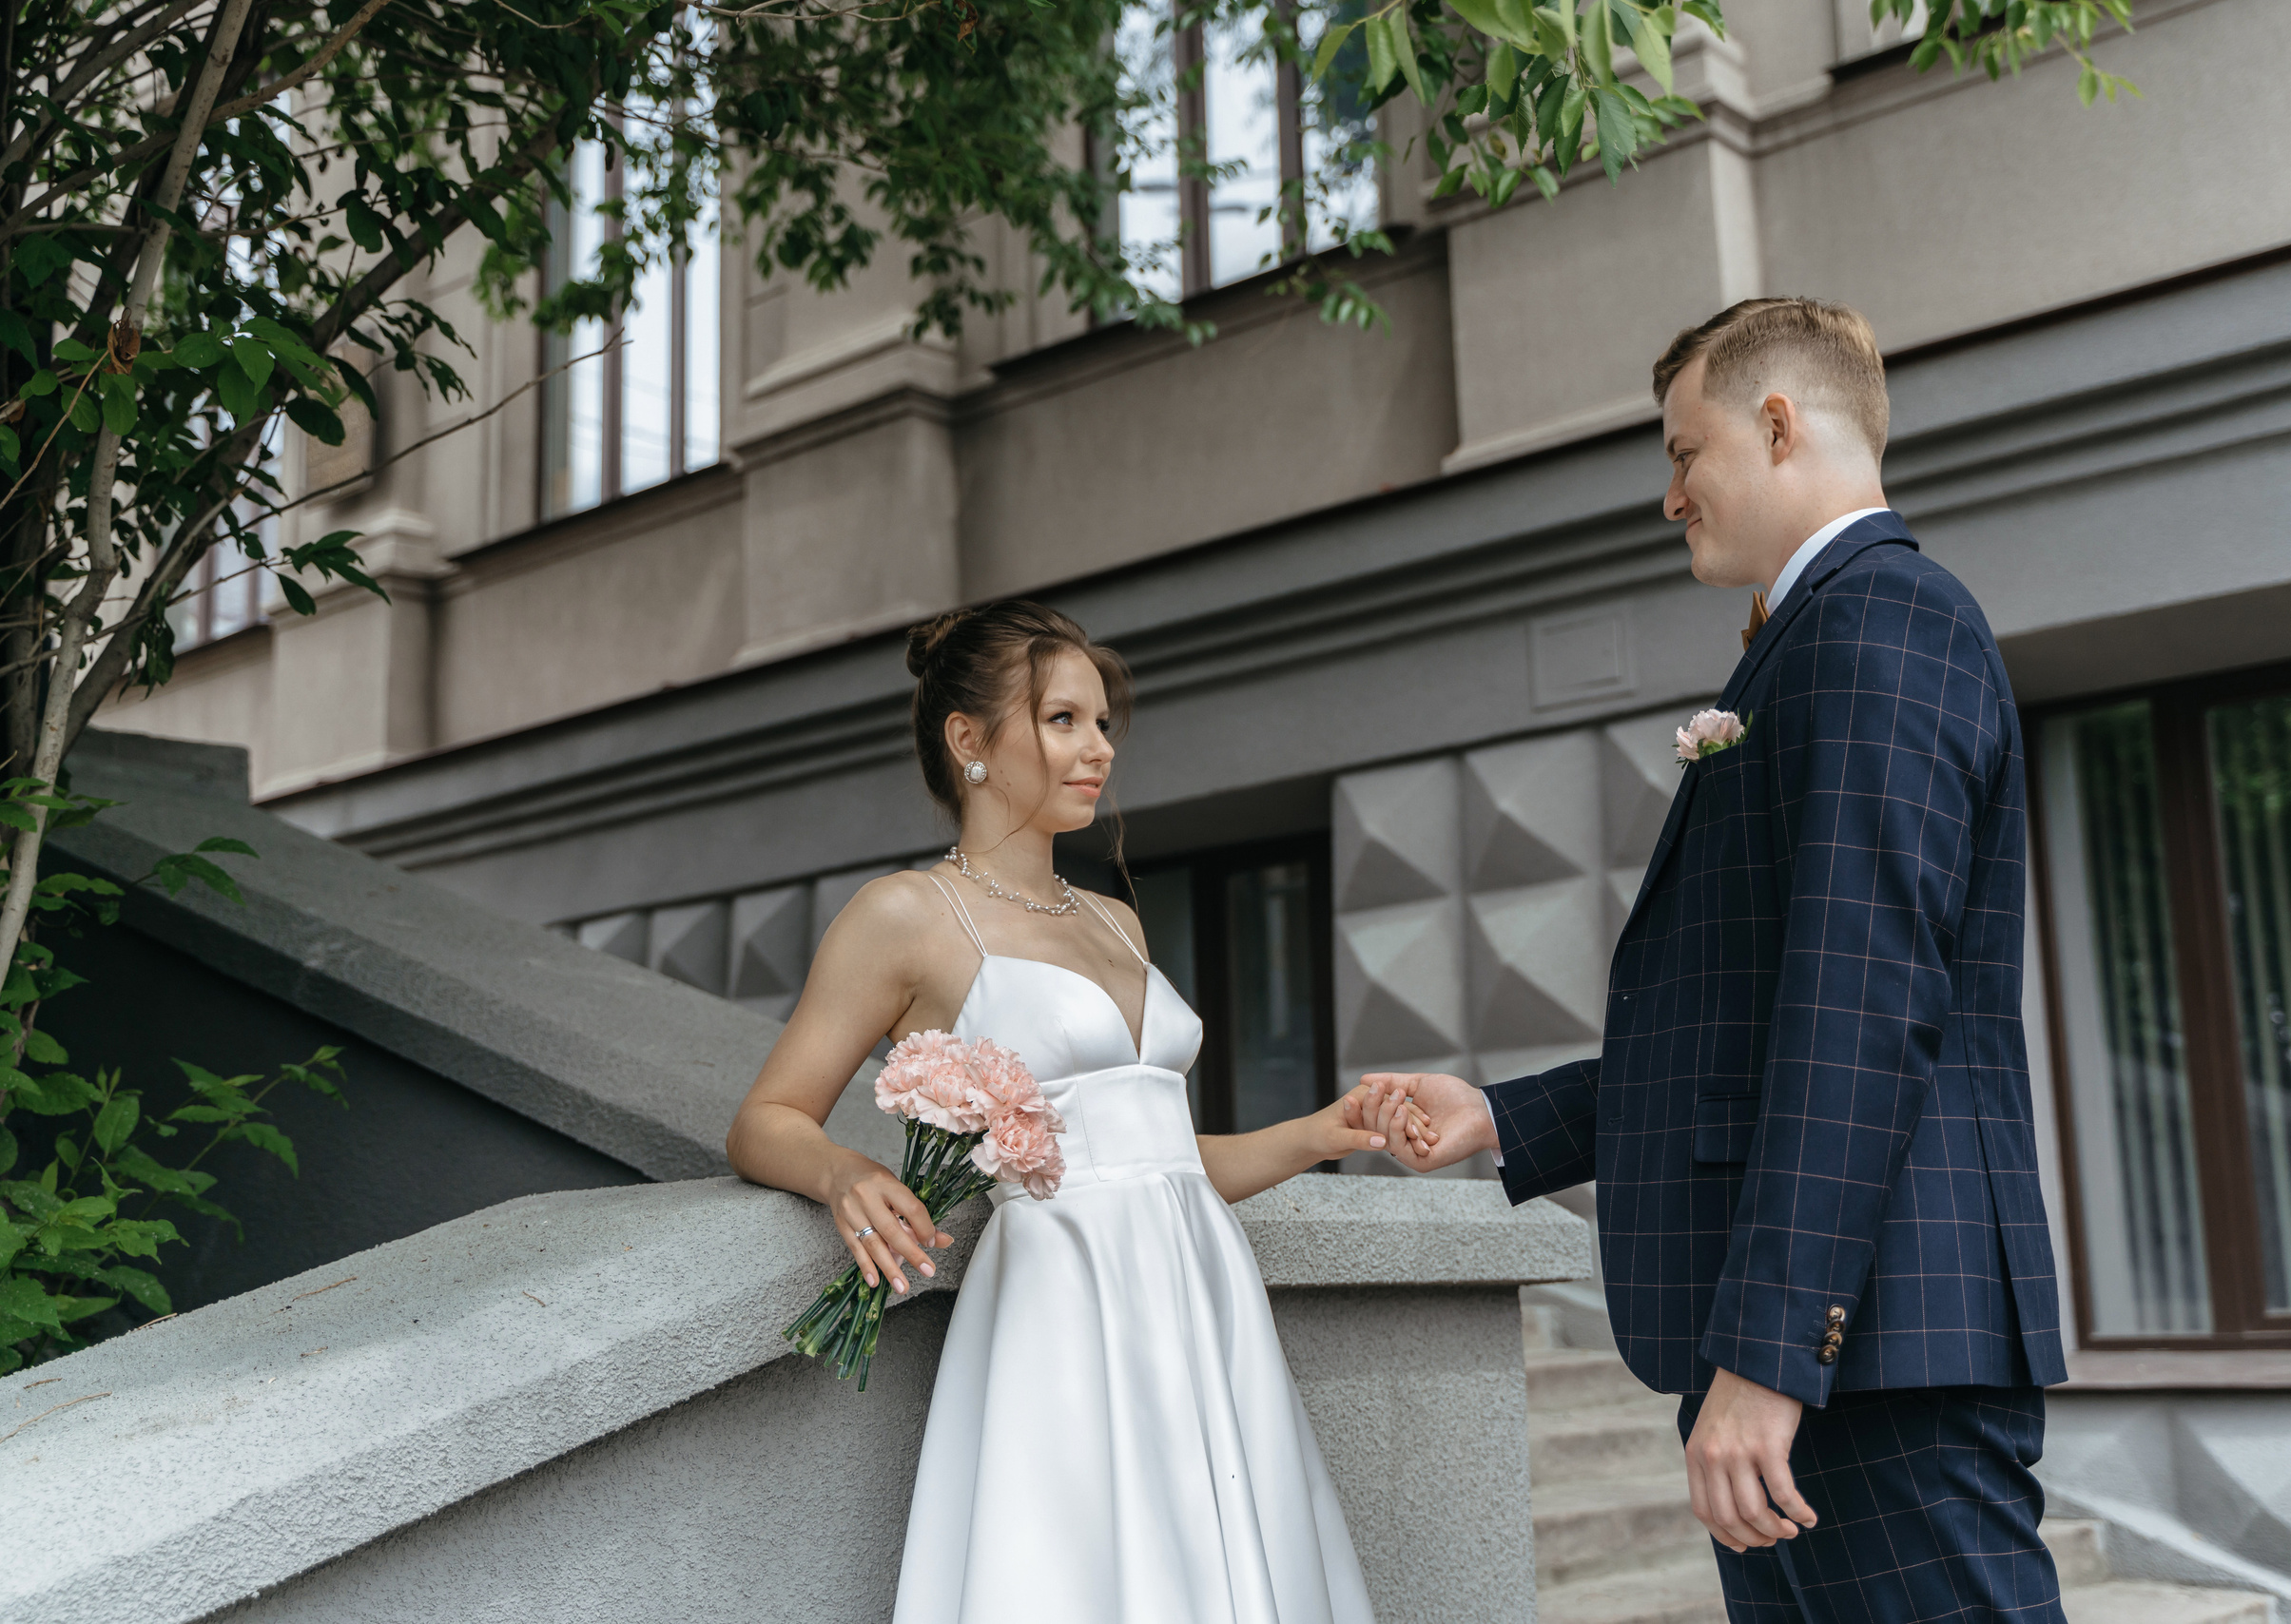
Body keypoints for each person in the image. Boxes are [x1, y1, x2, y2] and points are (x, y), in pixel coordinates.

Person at [1351, 299, 2071, 1621]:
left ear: (1779, 424)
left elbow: (1860, 1007)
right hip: (1830, 1354)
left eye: (1685, 452)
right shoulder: (1817, 637)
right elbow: (1752, 1026)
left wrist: (1773, 1354)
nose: (1670, 493)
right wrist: (1506, 1119)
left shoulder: (1882, 623)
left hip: (1868, 1352)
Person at [728, 601, 1394, 1624]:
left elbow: (1161, 1162)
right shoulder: (906, 915)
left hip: (1203, 1296)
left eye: (1103, 723)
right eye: (1063, 721)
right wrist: (845, 1173)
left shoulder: (1115, 918)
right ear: (970, 742)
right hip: (1061, 1305)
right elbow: (766, 1115)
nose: (1099, 750)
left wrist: (1324, 1131)